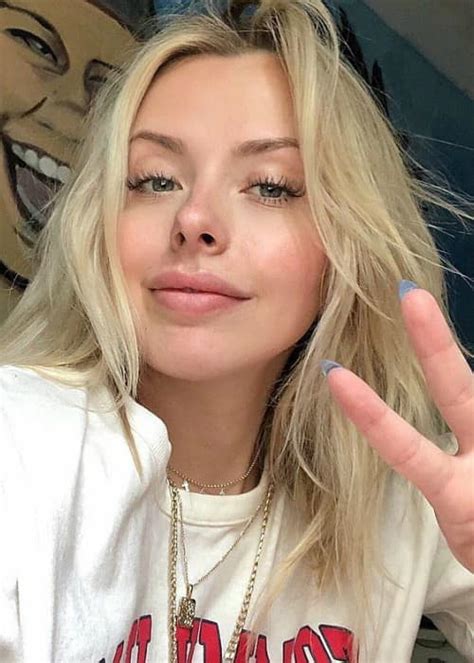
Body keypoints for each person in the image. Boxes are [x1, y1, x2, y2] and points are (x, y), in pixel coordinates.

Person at [0, 0, 472, 661]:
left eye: (271, 187)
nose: (194, 218)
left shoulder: (407, 496)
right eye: (153, 179)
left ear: (345, 246)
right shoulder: (24, 446)